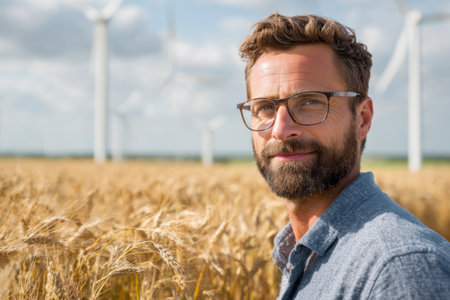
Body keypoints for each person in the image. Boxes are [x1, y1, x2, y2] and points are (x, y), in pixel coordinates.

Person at [236, 13, 450, 299]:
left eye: (310, 101)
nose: (281, 129)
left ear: (362, 119)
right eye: (264, 107)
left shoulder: (400, 267)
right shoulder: (300, 253)